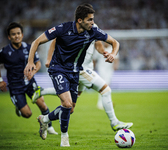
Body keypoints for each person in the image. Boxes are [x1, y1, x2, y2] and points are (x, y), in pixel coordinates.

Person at [24, 4, 120, 147]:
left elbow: (114, 42)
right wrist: (30, 61)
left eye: (93, 19)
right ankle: (64, 138)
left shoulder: (93, 31)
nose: (92, 22)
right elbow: (36, 42)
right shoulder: (62, 28)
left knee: (70, 109)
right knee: (67, 104)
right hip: (58, 69)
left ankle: (44, 119)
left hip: (75, 72)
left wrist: (112, 54)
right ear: (80, 20)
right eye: (90, 20)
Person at [32, 35, 133, 132]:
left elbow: (98, 44)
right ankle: (114, 122)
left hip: (86, 68)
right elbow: (55, 40)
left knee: (70, 107)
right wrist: (49, 58)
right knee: (106, 90)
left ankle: (44, 114)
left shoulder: (93, 27)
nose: (91, 21)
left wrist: (104, 52)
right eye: (89, 18)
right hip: (80, 69)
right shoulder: (73, 28)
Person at [0, 22, 57, 135]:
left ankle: (50, 126)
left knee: (42, 103)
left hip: (29, 83)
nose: (16, 36)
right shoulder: (5, 51)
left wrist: (33, 72)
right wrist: (0, 80)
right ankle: (19, 108)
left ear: (22, 35)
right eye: (13, 34)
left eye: (18, 33)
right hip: (15, 86)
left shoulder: (29, 48)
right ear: (9, 37)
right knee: (27, 114)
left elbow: (38, 63)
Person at [93, 42, 119, 109]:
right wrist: (93, 67)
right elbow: (94, 59)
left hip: (109, 69)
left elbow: (116, 58)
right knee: (104, 85)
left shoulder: (112, 49)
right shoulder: (100, 49)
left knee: (107, 86)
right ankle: (101, 103)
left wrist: (115, 66)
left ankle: (106, 102)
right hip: (101, 68)